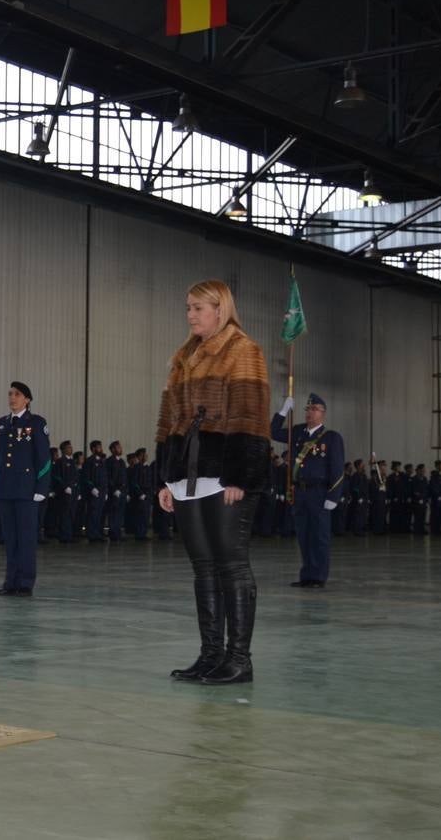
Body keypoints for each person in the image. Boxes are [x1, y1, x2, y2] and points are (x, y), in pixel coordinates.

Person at [157, 279, 270, 685]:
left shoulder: (243, 350)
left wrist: (241, 475)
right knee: (203, 567)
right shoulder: (182, 357)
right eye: (187, 307)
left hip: (226, 476)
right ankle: (211, 655)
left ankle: (240, 660)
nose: (190, 315)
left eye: (198, 308)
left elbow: (251, 414)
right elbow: (168, 420)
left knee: (232, 565)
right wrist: (166, 478)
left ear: (219, 309)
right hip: (188, 476)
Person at [272, 392, 345, 589]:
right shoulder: (297, 433)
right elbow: (272, 432)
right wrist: (283, 411)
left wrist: (333, 496)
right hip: (300, 492)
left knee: (319, 536)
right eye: (307, 409)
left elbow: (338, 469)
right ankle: (307, 575)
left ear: (323, 413)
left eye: (314, 409)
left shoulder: (331, 438)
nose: (309, 413)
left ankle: (319, 577)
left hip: (319, 493)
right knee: (304, 535)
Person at [0, 381, 51, 597]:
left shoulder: (36, 423)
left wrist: (41, 487)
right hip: (6, 490)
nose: (12, 398)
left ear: (27, 399)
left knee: (26, 539)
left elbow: (44, 458)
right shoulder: (1, 424)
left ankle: (25, 583)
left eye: (16, 394)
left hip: (27, 491)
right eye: (10, 394)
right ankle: (11, 582)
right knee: (11, 539)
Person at [82, 440, 107, 541]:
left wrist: (106, 491)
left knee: (99, 514)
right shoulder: (89, 461)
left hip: (102, 491)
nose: (101, 449)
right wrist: (92, 488)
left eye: (101, 447)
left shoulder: (102, 461)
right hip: (94, 491)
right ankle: (91, 534)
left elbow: (105, 477)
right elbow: (86, 477)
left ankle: (97, 533)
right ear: (93, 449)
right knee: (93, 513)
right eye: (99, 447)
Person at [54, 441, 78, 542]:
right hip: (64, 493)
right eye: (68, 448)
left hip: (73, 491)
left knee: (71, 513)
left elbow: (76, 477)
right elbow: (57, 476)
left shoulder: (72, 462)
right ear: (63, 450)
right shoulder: (60, 461)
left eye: (71, 447)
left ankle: (69, 534)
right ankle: (64, 536)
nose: (70, 449)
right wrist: (65, 487)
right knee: (64, 514)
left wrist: (76, 489)